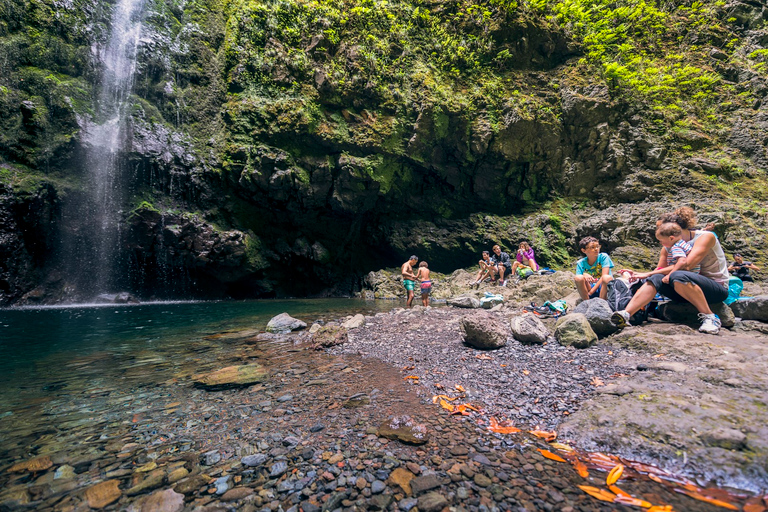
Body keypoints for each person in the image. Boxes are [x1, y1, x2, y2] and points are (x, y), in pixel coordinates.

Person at [612, 207, 729, 334]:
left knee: (678, 275)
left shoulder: (705, 237)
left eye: (660, 227)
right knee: (656, 278)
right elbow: (660, 270)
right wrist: (638, 275)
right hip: (682, 289)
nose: (658, 231)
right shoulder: (668, 246)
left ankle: (710, 317)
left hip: (715, 289)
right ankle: (626, 314)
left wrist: (648, 273)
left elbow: (687, 265)